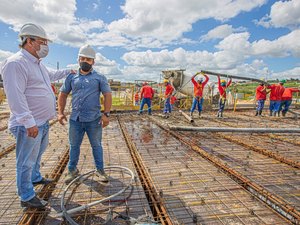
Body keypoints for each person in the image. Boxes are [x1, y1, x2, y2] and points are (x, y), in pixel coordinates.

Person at [1, 23, 75, 209]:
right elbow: (16, 97)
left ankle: (35, 178)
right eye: (42, 42)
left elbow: (52, 75)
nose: (45, 46)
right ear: (29, 41)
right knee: (25, 161)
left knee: (36, 155)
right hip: (28, 125)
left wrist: (69, 70)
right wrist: (28, 122)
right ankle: (26, 195)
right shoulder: (15, 63)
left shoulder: (37, 65)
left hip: (41, 123)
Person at [57, 44, 112, 184]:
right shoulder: (71, 77)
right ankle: (72, 170)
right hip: (75, 119)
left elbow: (107, 95)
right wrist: (60, 112)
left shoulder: (100, 77)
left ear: (93, 61)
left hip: (93, 119)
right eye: (83, 58)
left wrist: (106, 114)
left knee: (96, 145)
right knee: (74, 146)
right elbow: (62, 94)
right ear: (78, 60)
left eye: (88, 59)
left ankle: (100, 171)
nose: (85, 61)